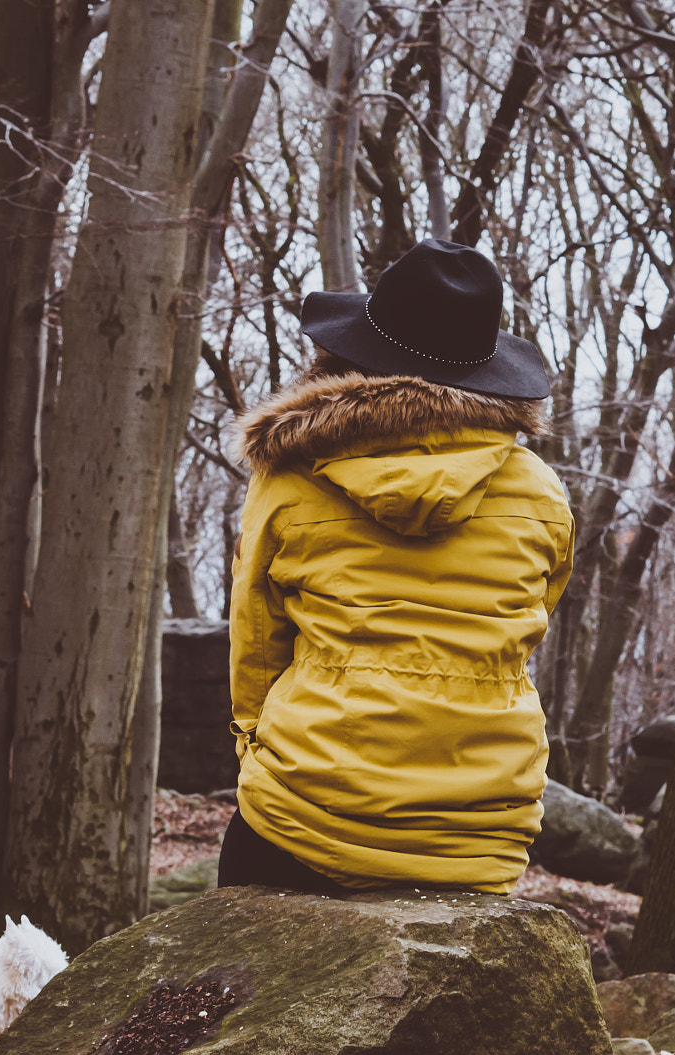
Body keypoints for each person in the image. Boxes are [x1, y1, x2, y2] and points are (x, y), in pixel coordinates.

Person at [218, 237, 572, 895]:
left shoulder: (290, 481)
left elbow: (257, 651)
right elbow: (523, 629)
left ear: (346, 356)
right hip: (481, 830)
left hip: (309, 811)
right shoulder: (540, 491)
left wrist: (257, 757)